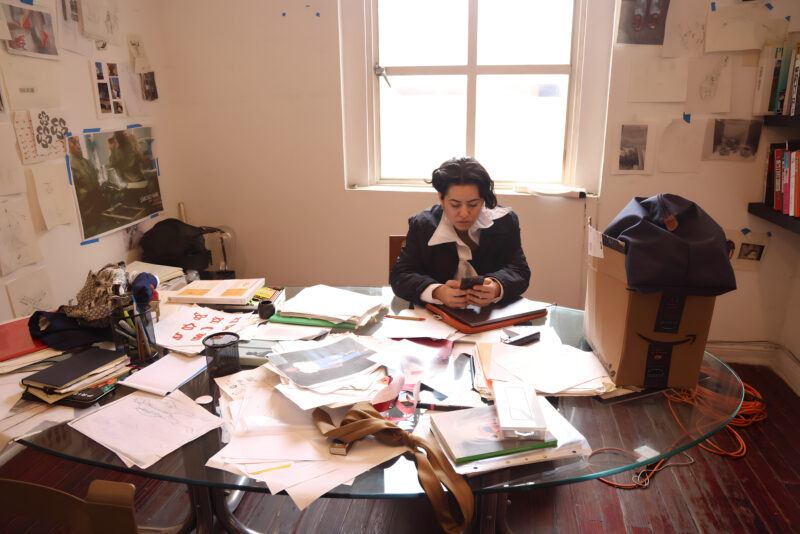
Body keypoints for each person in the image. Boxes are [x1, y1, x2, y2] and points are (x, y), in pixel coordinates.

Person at [390, 157, 531, 308]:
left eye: (473, 204)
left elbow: (519, 270)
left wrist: (496, 287)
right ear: (441, 199)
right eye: (455, 204)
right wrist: (438, 291)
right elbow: (400, 276)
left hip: (492, 319)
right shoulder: (422, 225)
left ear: (483, 200)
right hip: (436, 320)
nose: (464, 213)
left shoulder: (505, 221)